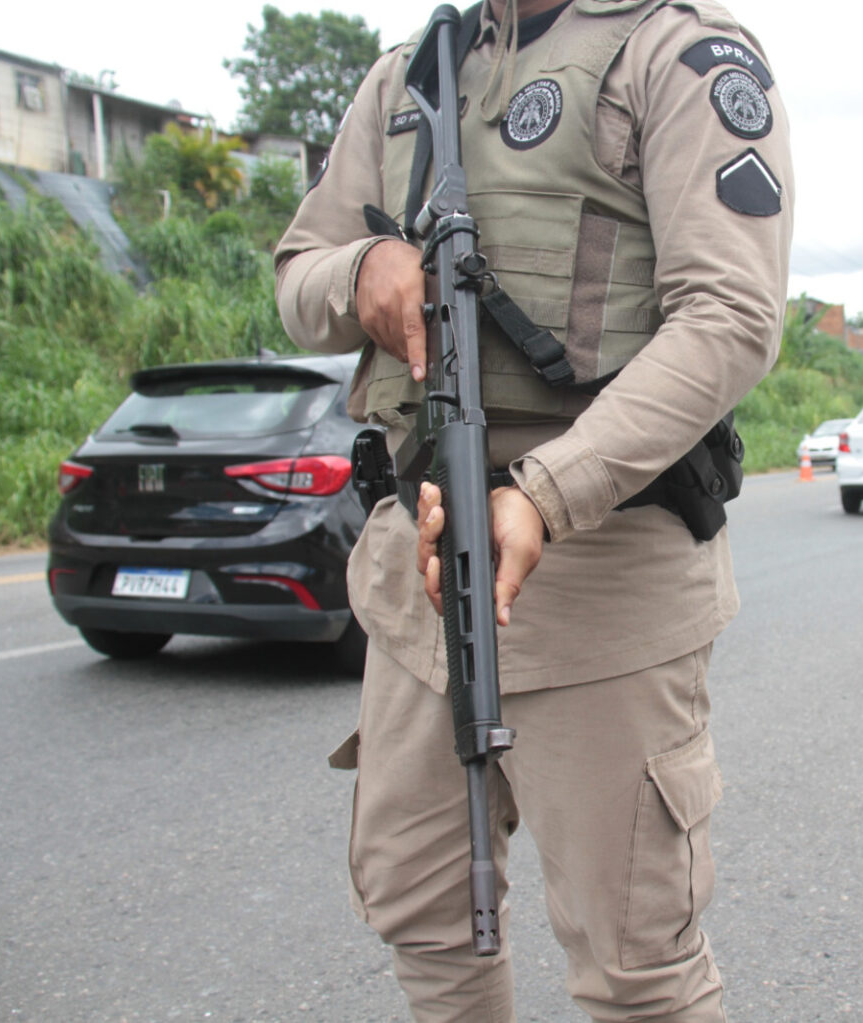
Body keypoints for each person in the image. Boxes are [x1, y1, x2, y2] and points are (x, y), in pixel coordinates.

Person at [273, 0, 793, 1019]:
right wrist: (362, 271)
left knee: (635, 961)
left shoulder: (678, 49)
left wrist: (546, 496)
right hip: (415, 556)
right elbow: (299, 277)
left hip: (599, 561)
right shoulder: (411, 73)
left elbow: (731, 315)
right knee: (422, 911)